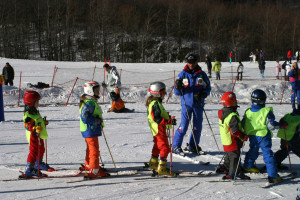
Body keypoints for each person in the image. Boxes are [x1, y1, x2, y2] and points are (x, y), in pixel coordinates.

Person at [172, 53, 211, 156]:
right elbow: (177, 93)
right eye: (189, 62)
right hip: (186, 104)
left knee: (197, 126)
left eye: (193, 62)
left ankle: (193, 146)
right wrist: (177, 87)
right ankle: (176, 146)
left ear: (196, 62)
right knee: (184, 126)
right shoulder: (182, 74)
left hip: (198, 104)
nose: (191, 64)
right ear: (187, 63)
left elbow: (208, 88)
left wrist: (203, 94)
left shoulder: (202, 74)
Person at [242, 89, 282, 184]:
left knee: (253, 150)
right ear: (263, 100)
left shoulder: (248, 111)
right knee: (267, 154)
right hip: (263, 136)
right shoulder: (266, 111)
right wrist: (280, 125)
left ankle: (248, 166)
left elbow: (243, 123)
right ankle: (273, 175)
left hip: (252, 135)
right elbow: (271, 126)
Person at [217, 92, 250, 180]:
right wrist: (243, 136)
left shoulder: (223, 113)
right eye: (235, 102)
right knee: (235, 156)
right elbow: (235, 131)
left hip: (226, 140)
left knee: (229, 155)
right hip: (233, 141)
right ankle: (233, 173)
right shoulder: (232, 116)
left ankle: (226, 167)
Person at [146, 81, 176, 176]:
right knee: (165, 148)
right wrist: (169, 121)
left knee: (157, 146)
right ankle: (161, 168)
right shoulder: (155, 104)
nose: (165, 94)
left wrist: (167, 117)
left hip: (157, 129)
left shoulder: (155, 103)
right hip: (159, 129)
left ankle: (153, 163)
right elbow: (157, 118)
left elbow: (159, 115)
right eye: (163, 92)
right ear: (157, 93)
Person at [79, 81, 108, 178]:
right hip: (90, 130)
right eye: (96, 90)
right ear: (90, 90)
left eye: (98, 90)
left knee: (90, 149)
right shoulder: (90, 103)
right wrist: (97, 121)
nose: (98, 92)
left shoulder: (90, 101)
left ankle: (89, 165)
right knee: (94, 150)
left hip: (89, 130)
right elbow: (85, 117)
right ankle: (94, 170)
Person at [23, 91, 54, 178]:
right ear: (31, 102)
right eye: (37, 102)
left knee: (41, 149)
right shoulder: (28, 114)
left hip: (38, 135)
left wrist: (43, 123)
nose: (38, 104)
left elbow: (37, 121)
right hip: (33, 135)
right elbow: (27, 125)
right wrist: (33, 128)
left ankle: (38, 164)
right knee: (33, 151)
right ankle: (29, 169)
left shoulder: (35, 112)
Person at [274, 105, 300, 170]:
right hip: (293, 138)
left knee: (284, 150)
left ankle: (273, 163)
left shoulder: (288, 115)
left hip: (284, 137)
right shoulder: (299, 119)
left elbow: (281, 121)